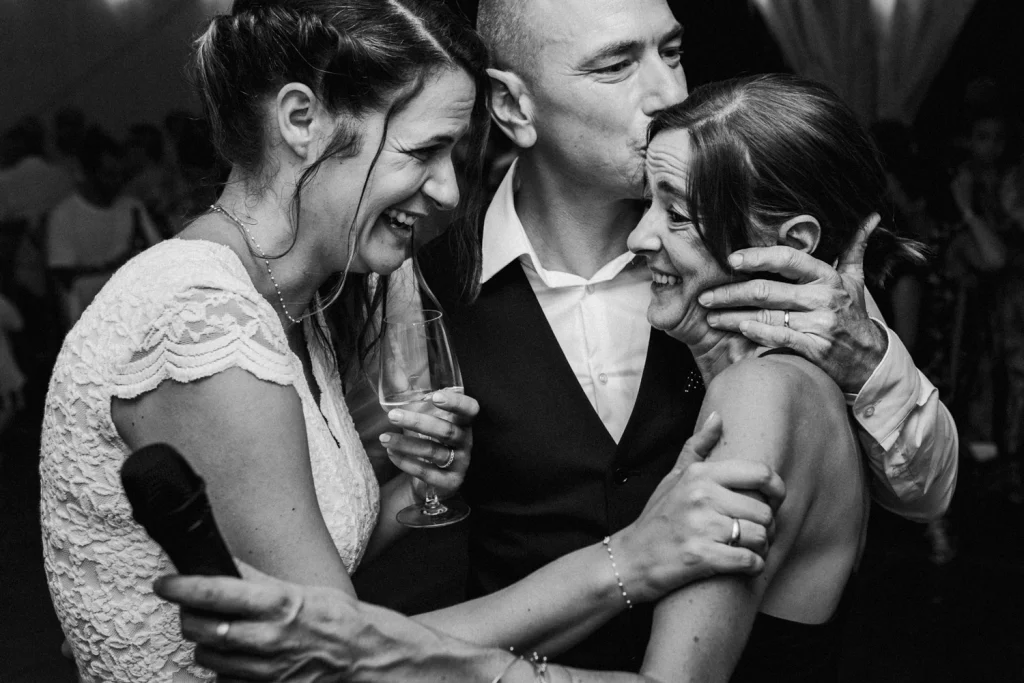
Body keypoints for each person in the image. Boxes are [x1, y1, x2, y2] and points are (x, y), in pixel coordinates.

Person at [40, 2, 780, 681]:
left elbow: (304, 563)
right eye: (423, 152)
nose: (451, 192)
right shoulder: (200, 321)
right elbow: (338, 654)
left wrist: (410, 491)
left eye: (454, 157)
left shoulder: (290, 302)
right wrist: (631, 558)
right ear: (302, 120)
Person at [151, 73, 930, 683]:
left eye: (679, 213)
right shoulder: (781, 378)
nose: (642, 233)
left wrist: (387, 654)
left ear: (789, 240)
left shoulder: (761, 394)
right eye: (647, 201)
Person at [403, 0, 958, 669]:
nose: (669, 92)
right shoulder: (420, 283)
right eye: (615, 65)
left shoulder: (754, 258)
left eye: (670, 51)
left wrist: (870, 361)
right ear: (514, 106)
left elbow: (925, 491)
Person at [45, 127, 163, 327]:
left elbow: (157, 254)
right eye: (108, 175)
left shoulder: (131, 207)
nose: (116, 182)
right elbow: (63, 275)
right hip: (90, 319)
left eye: (120, 175)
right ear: (87, 174)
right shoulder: (64, 215)